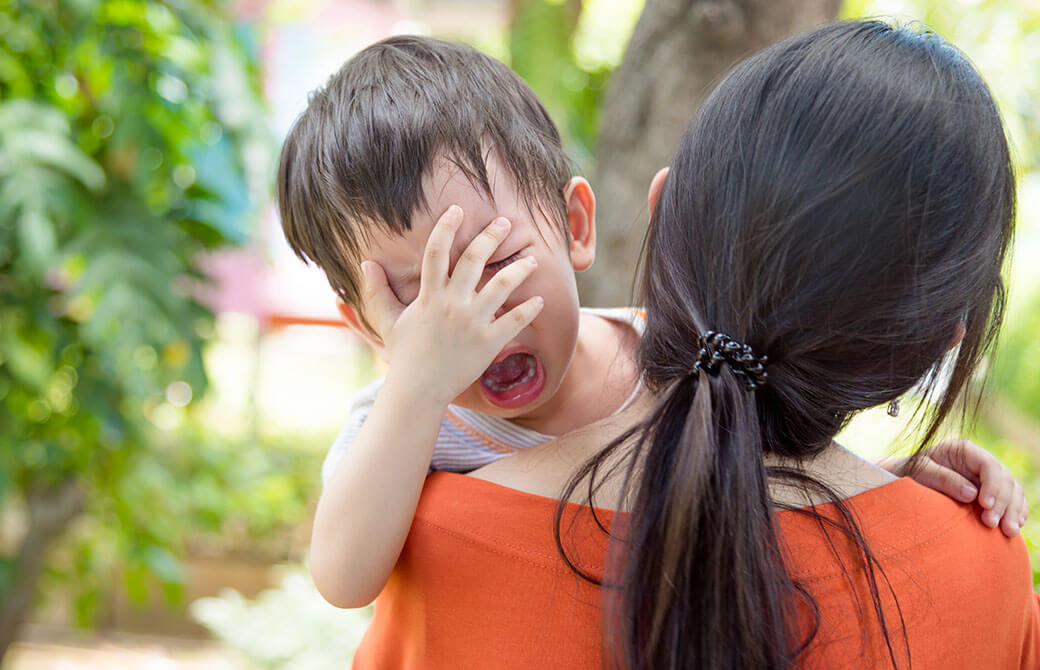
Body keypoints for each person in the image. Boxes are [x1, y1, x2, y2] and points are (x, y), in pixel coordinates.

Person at [347, 21, 1040, 669]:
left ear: (659, 208)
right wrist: (887, 490)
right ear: (937, 343)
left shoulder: (438, 550)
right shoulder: (988, 571)